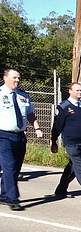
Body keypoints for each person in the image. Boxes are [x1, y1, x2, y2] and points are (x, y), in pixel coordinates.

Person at [0, 68, 44, 210]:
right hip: (3, 135)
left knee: (15, 168)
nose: (17, 80)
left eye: (19, 78)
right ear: (5, 78)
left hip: (20, 135)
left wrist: (36, 128)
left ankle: (4, 195)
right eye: (14, 78)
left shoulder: (23, 96)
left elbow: (30, 113)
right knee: (9, 166)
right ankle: (13, 199)